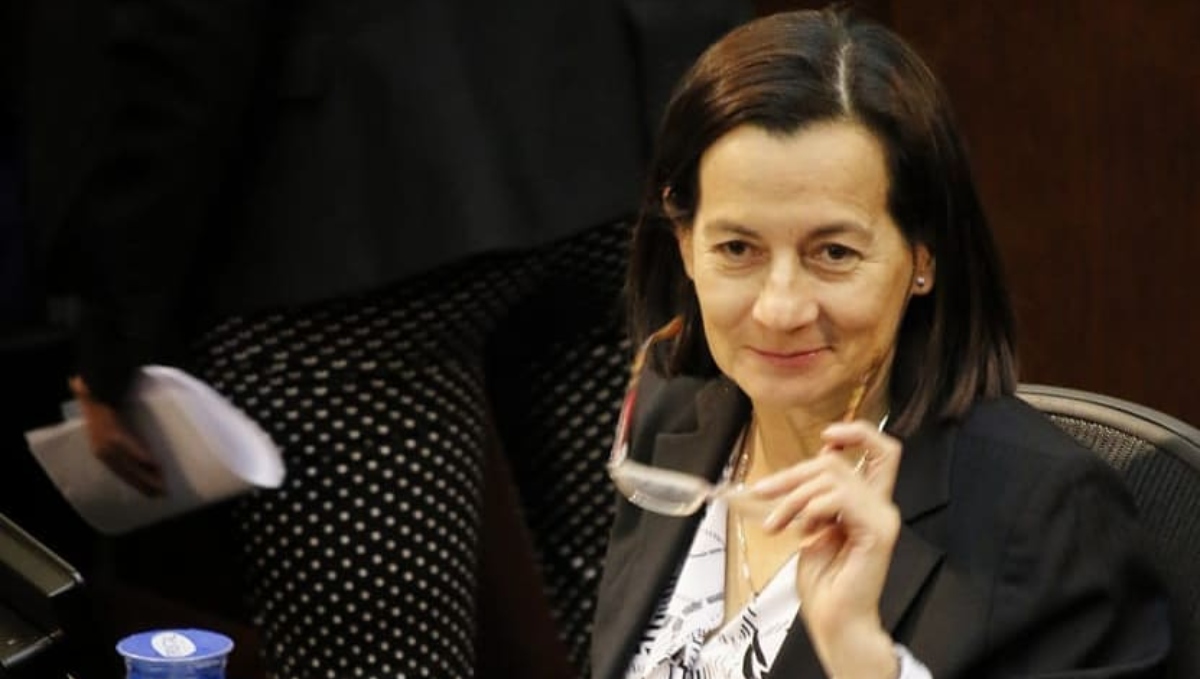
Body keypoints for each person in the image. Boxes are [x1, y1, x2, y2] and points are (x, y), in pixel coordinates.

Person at [35, 0, 753, 677]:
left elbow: (187, 39)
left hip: (355, 203)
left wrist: (112, 329)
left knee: (387, 660)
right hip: (608, 135)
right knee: (636, 619)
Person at [591, 7, 1171, 679]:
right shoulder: (669, 424)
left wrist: (863, 658)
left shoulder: (1045, 514)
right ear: (685, 244)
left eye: (833, 252)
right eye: (738, 249)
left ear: (923, 257)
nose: (780, 308)